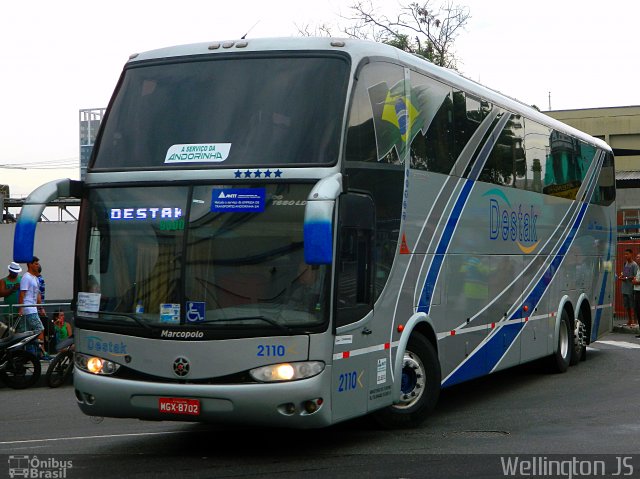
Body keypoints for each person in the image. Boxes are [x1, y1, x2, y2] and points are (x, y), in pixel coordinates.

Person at [18, 256, 48, 358]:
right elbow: (22, 294)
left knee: (25, 332)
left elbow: (38, 295)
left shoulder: (35, 278)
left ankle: (27, 353)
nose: (37, 265)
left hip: (33, 308)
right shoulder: (26, 277)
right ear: (30, 264)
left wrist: (41, 308)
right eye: (35, 264)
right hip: (28, 308)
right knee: (39, 329)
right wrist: (21, 308)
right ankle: (42, 353)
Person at [619, 249, 638, 328]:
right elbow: (624, 273)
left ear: (631, 254)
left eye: (627, 254)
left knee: (633, 305)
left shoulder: (634, 265)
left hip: (631, 288)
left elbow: (635, 276)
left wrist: (626, 278)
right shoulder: (625, 263)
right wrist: (622, 276)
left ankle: (635, 320)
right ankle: (629, 320)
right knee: (627, 305)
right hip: (624, 288)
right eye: (625, 254)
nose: (626, 256)